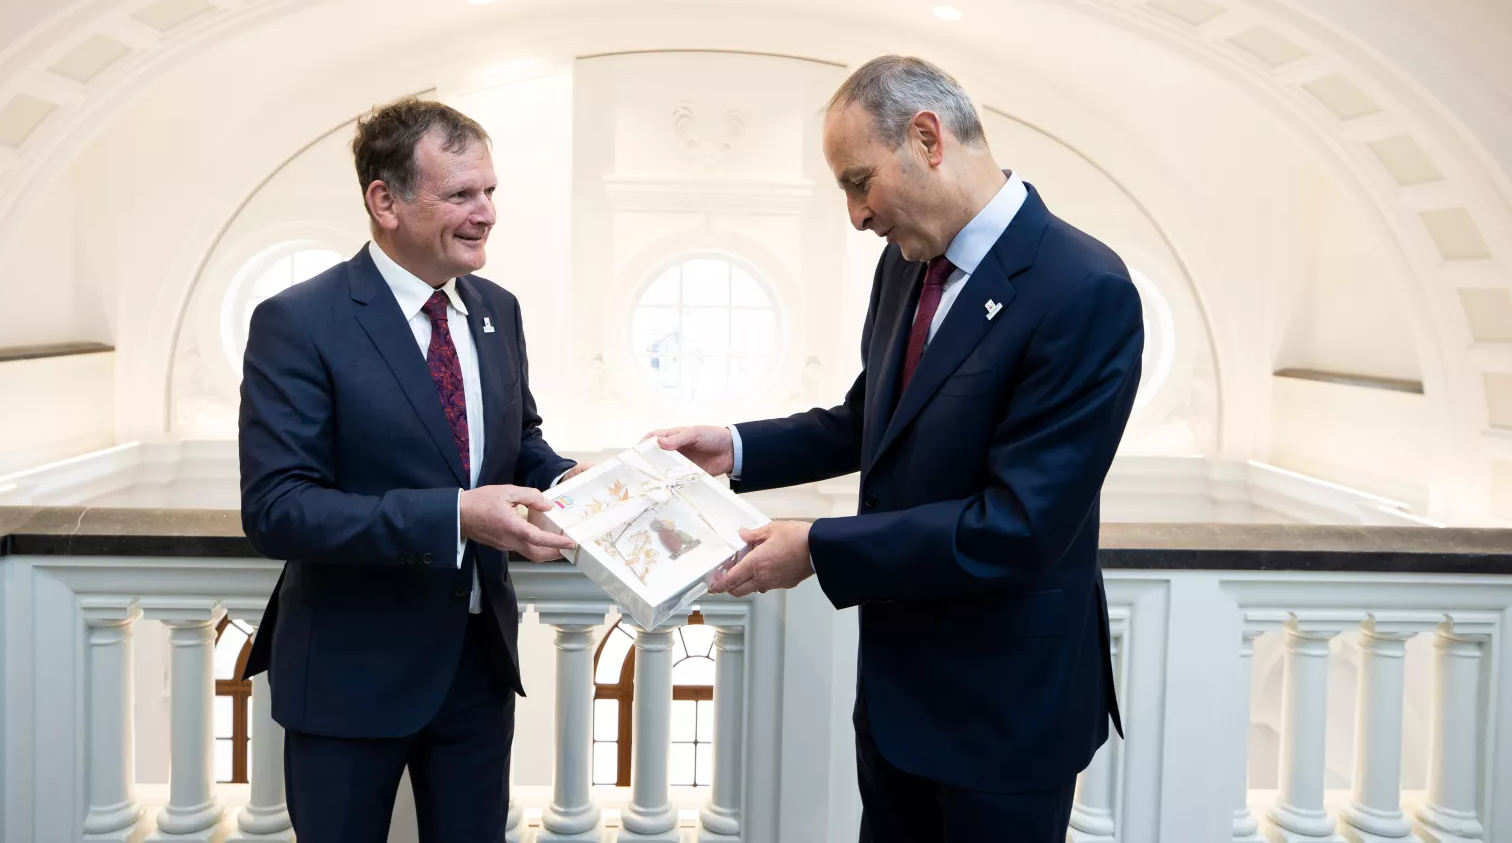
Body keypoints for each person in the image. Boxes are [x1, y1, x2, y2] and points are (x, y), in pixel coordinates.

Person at [651, 55, 1143, 842]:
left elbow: (1019, 525)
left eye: (858, 182)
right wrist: (736, 448)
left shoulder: (1085, 288)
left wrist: (816, 547)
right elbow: (869, 418)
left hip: (1007, 711)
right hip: (896, 694)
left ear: (926, 138)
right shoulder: (907, 261)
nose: (855, 215)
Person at [238, 96, 585, 842]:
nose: (486, 212)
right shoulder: (297, 322)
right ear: (384, 200)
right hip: (346, 675)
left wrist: (571, 484)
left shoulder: (499, 309)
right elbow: (278, 509)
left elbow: (517, 443)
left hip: (478, 671)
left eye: (490, 191)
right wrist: (455, 517)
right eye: (460, 194)